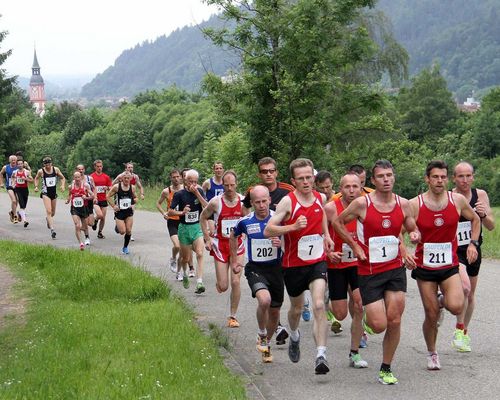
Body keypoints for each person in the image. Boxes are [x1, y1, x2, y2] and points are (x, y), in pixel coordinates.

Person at [333, 159, 420, 385]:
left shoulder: (403, 204)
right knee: (379, 324)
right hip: (369, 271)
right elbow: (338, 223)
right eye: (381, 176)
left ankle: (386, 368)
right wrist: (354, 247)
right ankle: (367, 324)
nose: (386, 180)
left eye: (389, 175)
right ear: (373, 180)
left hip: (394, 269)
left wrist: (413, 237)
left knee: (395, 319)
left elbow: (411, 226)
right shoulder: (362, 204)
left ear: (394, 177)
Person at [265, 158, 334, 375]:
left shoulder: (321, 197)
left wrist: (326, 236)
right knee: (295, 309)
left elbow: (322, 215)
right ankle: (294, 335)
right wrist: (293, 227)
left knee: (319, 305)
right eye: (301, 179)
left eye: (309, 177)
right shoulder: (288, 202)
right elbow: (268, 230)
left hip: (317, 262)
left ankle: (320, 355)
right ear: (293, 181)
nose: (306, 182)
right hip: (293, 265)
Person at [409, 160, 480, 370]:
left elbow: (475, 220)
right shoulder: (415, 204)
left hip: (449, 264)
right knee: (431, 315)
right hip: (425, 267)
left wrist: (473, 244)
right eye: (435, 177)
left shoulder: (456, 200)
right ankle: (432, 352)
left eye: (443, 177)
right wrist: (408, 245)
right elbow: (400, 228)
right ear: (427, 179)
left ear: (447, 179)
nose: (439, 181)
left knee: (457, 305)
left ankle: (441, 300)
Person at [242, 156, 294, 345]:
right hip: (257, 263)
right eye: (264, 171)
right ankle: (270, 330)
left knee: (278, 304)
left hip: (280, 259)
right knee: (265, 300)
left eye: (272, 171)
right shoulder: (253, 192)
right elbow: (244, 209)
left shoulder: (288, 191)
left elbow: (294, 218)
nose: (269, 174)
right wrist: (250, 227)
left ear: (276, 172)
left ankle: (274, 331)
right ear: (260, 174)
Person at [230, 185, 284, 362]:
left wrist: (281, 244)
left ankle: (266, 344)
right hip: (256, 268)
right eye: (257, 202)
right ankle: (261, 333)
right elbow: (233, 236)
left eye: (264, 201)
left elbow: (292, 237)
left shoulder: (279, 219)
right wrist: (235, 261)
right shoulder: (245, 221)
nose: (261, 205)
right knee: (264, 300)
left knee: (275, 312)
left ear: (269, 200)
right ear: (252, 203)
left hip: (277, 269)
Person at [451, 161, 495, 352]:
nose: (465, 180)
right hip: (454, 250)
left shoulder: (481, 195)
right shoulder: (450, 196)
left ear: (473, 177)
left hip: (474, 248)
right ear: (454, 178)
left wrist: (484, 215)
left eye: (468, 176)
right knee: (465, 288)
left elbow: (491, 226)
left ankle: (464, 332)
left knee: (470, 294)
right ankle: (459, 329)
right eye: (461, 176)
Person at [325, 173, 368, 368]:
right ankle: (328, 301)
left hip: (358, 264)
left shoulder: (367, 206)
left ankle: (354, 352)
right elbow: (318, 235)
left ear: (361, 187)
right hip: (337, 265)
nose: (351, 191)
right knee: (341, 314)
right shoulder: (331, 208)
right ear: (340, 189)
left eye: (355, 186)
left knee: (359, 305)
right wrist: (328, 254)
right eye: (347, 187)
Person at [201, 170, 245, 327]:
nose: (230, 188)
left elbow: (247, 221)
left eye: (232, 185)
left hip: (237, 246)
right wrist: (207, 239)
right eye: (226, 185)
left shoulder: (243, 201)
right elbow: (203, 217)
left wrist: (246, 237)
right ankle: (219, 283)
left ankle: (233, 316)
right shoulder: (215, 202)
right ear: (223, 185)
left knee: (236, 281)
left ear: (236, 184)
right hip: (220, 246)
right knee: (224, 286)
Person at [169, 169, 207, 293]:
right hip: (184, 228)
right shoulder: (179, 194)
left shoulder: (199, 191)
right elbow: (170, 211)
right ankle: (184, 273)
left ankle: (199, 282)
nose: (193, 184)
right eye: (191, 182)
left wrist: (197, 194)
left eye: (195, 182)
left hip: (196, 227)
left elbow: (206, 206)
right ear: (185, 180)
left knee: (200, 253)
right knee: (185, 258)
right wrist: (182, 212)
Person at [157, 169, 183, 273]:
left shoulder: (184, 189)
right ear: (170, 178)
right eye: (174, 177)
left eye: (178, 177)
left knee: (184, 248)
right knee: (177, 245)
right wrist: (164, 213)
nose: (176, 179)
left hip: (183, 221)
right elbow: (158, 204)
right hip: (172, 221)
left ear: (180, 177)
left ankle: (183, 269)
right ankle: (173, 258)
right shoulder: (166, 191)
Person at [34, 157, 66, 239]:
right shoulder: (41, 171)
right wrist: (36, 186)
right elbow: (36, 178)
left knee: (53, 213)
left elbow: (62, 178)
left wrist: (62, 185)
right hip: (45, 193)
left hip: (53, 193)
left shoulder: (56, 170)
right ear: (43, 164)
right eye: (46, 164)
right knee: (48, 211)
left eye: (49, 164)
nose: (47, 166)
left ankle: (48, 219)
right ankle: (52, 230)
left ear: (51, 163)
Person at [107, 171, 137, 255]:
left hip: (128, 211)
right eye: (125, 178)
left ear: (130, 179)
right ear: (121, 179)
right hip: (119, 211)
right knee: (122, 231)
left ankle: (125, 247)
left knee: (129, 230)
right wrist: (113, 206)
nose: (126, 180)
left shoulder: (133, 187)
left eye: (128, 178)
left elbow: (135, 197)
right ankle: (118, 226)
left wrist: (134, 204)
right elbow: (108, 196)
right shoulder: (117, 187)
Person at [66, 171, 94, 250]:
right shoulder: (71, 186)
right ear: (73, 178)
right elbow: (69, 195)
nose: (77, 179)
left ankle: (85, 235)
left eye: (79, 177)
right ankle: (81, 243)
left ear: (81, 177)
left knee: (84, 226)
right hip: (74, 208)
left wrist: (86, 198)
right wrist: (68, 200)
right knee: (77, 225)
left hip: (84, 208)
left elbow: (92, 196)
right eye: (76, 177)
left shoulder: (85, 186)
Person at [90, 160, 113, 239]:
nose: (99, 168)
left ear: (102, 166)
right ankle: (95, 221)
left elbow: (111, 187)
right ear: (95, 167)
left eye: (100, 166)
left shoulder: (106, 177)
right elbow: (88, 187)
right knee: (99, 215)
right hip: (95, 199)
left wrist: (107, 187)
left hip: (104, 199)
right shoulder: (91, 176)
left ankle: (100, 232)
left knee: (103, 218)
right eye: (98, 166)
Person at [76, 164, 96, 245]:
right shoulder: (75, 180)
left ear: (84, 170)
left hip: (89, 201)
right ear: (76, 170)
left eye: (82, 169)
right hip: (81, 203)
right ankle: (87, 237)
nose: (81, 171)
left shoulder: (89, 178)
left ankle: (95, 220)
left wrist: (95, 197)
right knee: (84, 222)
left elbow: (94, 188)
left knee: (90, 223)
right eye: (79, 169)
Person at [11, 158, 34, 227]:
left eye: (21, 164)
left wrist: (26, 179)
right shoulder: (15, 172)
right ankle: (25, 221)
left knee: (24, 206)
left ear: (23, 164)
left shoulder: (26, 172)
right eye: (18, 164)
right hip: (18, 189)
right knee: (21, 204)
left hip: (25, 189)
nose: (20, 165)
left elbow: (32, 180)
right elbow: (12, 177)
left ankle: (19, 213)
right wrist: (13, 183)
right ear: (17, 165)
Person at [0, 155, 19, 223]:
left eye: (15, 160)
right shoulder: (6, 167)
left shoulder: (18, 167)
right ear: (9, 160)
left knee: (17, 201)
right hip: (9, 186)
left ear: (16, 160)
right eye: (12, 160)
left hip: (17, 186)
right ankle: (15, 216)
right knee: (14, 201)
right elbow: (1, 174)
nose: (13, 161)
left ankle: (11, 212)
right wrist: (1, 183)